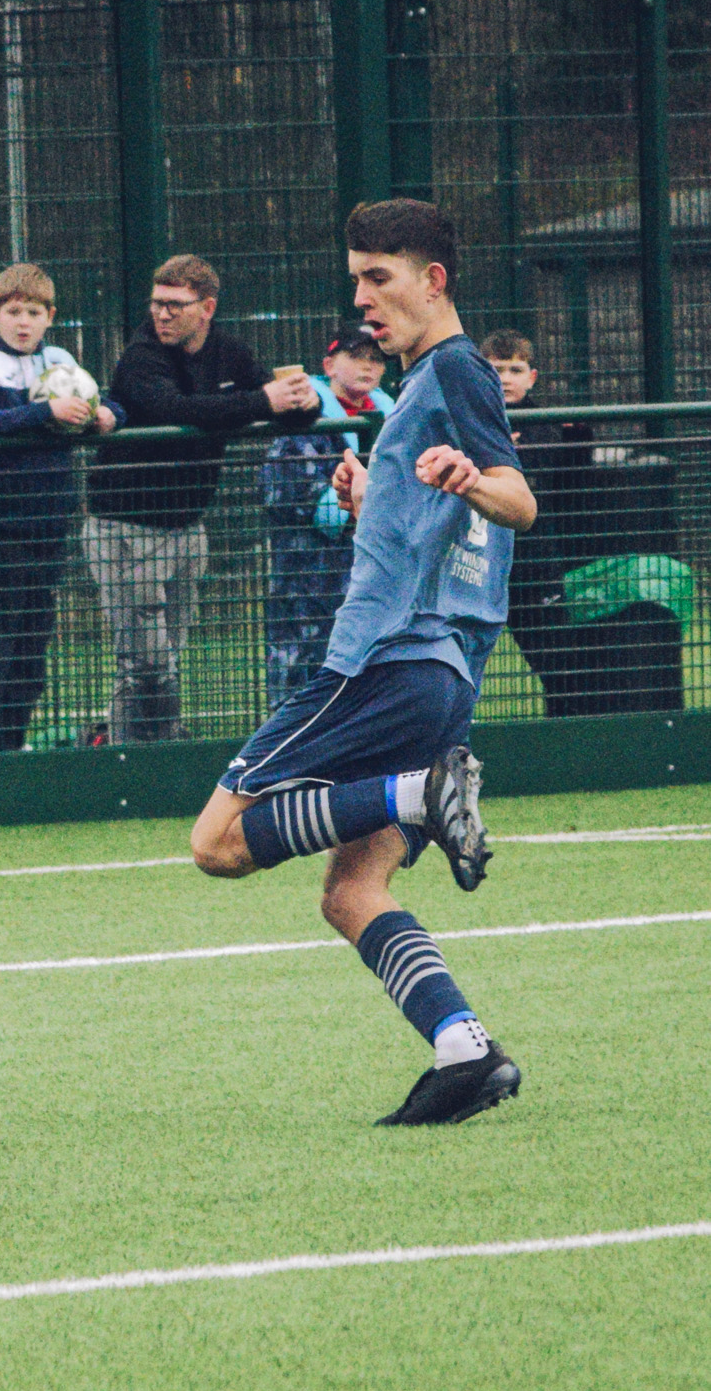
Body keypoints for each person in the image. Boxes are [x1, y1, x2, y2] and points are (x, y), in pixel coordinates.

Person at [189, 199, 536, 1128]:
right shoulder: (428, 383)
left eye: (378, 276)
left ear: (434, 281)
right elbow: (439, 524)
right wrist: (373, 487)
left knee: (217, 842)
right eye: (356, 277)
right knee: (352, 892)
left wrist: (475, 480)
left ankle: (416, 795)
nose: (362, 297)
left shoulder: (457, 371)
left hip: (381, 661)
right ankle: (464, 1048)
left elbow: (516, 497)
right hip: (444, 676)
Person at [94, 255, 319, 741]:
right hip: (125, 526)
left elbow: (283, 407)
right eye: (157, 303)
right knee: (146, 661)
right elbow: (179, 409)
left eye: (175, 305)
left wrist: (307, 399)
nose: (162, 314)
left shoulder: (228, 352)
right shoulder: (141, 355)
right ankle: (143, 753)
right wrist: (265, 401)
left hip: (187, 525)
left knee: (164, 658)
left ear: (207, 308)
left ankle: (133, 748)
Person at [0, 263, 120, 753]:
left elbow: (95, 404)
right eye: (14, 312)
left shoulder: (60, 360)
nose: (23, 322)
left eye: (34, 312)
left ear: (50, 317)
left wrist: (107, 415)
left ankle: (14, 745)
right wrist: (43, 412)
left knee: (31, 650)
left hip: (51, 524)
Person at [260, 327, 393, 706]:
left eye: (375, 359)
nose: (368, 366)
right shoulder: (303, 420)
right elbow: (291, 495)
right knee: (302, 690)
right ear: (329, 365)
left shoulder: (392, 417)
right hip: (308, 581)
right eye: (356, 357)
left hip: (373, 576)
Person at [481, 328, 596, 713]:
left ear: (531, 376)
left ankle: (566, 741)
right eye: (496, 369)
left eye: (515, 369)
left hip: (533, 565)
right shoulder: (469, 418)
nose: (505, 379)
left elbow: (568, 488)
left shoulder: (547, 424)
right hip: (474, 565)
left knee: (560, 666)